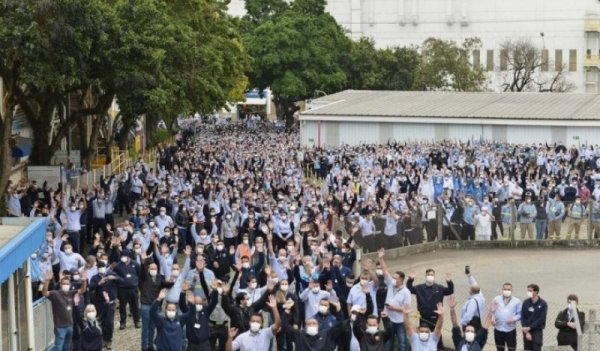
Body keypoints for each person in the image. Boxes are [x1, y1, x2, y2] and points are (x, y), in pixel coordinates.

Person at [407, 269, 454, 350]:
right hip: (423, 318)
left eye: (432, 274)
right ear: (425, 276)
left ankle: (439, 349)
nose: (430, 276)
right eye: (428, 274)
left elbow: (450, 290)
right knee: (423, 335)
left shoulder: (439, 288)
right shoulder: (419, 288)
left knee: (437, 336)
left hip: (435, 317)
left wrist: (449, 282)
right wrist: (410, 280)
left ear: (434, 276)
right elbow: (410, 289)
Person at [42, 269, 88, 351]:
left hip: (70, 325)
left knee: (67, 347)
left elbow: (82, 290)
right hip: (60, 327)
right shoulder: (55, 294)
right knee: (58, 347)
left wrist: (84, 281)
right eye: (64, 284)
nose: (66, 285)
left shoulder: (71, 293)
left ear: (70, 284)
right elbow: (45, 293)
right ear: (60, 284)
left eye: (67, 284)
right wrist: (47, 281)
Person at [377, 248, 410, 351]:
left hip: (400, 321)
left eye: (396, 278)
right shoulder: (391, 284)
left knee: (402, 343)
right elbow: (385, 272)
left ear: (401, 279)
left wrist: (394, 308)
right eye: (394, 277)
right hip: (389, 320)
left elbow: (407, 309)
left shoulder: (406, 292)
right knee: (388, 341)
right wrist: (381, 259)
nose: (394, 279)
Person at [492, 282, 521, 351]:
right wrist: (492, 319)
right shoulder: (496, 299)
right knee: (499, 349)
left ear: (511, 290)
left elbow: (520, 314)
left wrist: (513, 319)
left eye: (508, 289)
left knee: (511, 349)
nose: (506, 291)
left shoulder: (517, 301)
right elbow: (492, 311)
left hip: (510, 330)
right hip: (498, 329)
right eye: (505, 289)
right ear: (502, 289)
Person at [521, 283, 548, 351]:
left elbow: (541, 319)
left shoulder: (543, 303)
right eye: (528, 291)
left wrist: (530, 327)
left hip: (537, 331)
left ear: (536, 292)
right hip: (526, 330)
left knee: (536, 348)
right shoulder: (526, 302)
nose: (528, 292)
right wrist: (526, 331)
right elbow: (522, 316)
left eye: (530, 291)